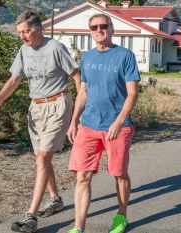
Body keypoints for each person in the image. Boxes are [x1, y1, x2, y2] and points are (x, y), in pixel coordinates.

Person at [0, 12, 81, 232]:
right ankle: (55, 198)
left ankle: (31, 216)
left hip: (58, 104)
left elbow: (77, 76)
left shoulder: (55, 48)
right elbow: (14, 79)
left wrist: (78, 112)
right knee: (41, 158)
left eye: (26, 31)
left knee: (43, 157)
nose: (23, 36)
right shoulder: (24, 50)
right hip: (36, 108)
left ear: (38, 29)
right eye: (20, 33)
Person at [66, 13, 140, 233]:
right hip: (88, 125)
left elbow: (132, 93)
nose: (98, 30)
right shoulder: (87, 57)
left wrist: (119, 122)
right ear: (90, 31)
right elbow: (83, 92)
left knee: (119, 173)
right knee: (82, 176)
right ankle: (78, 227)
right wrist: (73, 122)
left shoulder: (125, 56)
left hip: (117, 127)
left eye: (103, 26)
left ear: (112, 28)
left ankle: (121, 216)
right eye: (94, 27)